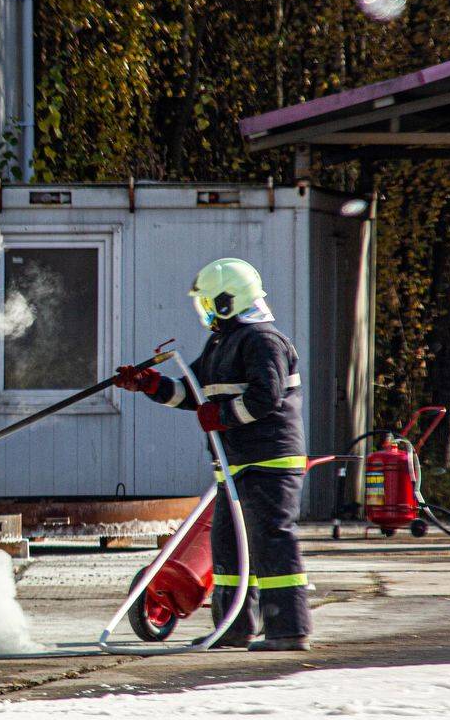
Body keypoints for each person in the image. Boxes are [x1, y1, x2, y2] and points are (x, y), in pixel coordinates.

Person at [114, 258, 311, 652]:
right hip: (235, 464)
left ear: (227, 302)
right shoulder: (221, 344)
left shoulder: (263, 341)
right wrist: (150, 385)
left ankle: (289, 630)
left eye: (207, 303)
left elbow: (264, 400)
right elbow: (195, 394)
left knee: (271, 540)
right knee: (228, 548)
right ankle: (234, 629)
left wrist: (219, 416)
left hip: (269, 461)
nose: (204, 312)